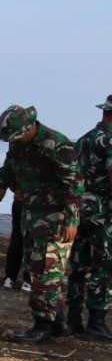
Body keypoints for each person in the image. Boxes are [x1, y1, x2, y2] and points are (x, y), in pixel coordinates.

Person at [0, 105, 82, 343]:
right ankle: (59, 322)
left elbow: (74, 185)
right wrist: (0, 186)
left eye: (17, 136)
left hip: (57, 217)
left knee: (48, 271)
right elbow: (9, 164)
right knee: (33, 268)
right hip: (31, 213)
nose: (15, 141)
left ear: (31, 128)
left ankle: (43, 327)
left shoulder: (57, 145)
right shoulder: (17, 142)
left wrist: (71, 220)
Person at [68, 96, 112, 341]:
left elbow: (74, 175)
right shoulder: (110, 140)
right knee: (104, 265)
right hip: (103, 210)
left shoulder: (84, 139)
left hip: (81, 206)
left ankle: (74, 317)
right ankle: (96, 322)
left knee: (78, 263)